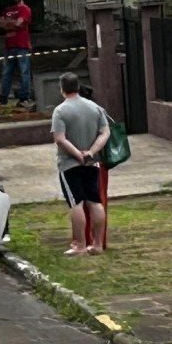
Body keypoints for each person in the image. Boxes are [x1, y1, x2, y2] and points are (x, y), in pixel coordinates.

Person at [51, 72, 112, 255]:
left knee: (76, 203)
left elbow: (60, 139)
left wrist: (77, 154)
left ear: (62, 89)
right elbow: (105, 132)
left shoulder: (60, 111)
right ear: (78, 86)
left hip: (69, 164)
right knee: (95, 201)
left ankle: (79, 244)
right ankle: (98, 243)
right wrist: (91, 152)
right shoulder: (95, 108)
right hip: (92, 163)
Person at [0, 0, 34, 109]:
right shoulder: (8, 10)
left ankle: (24, 98)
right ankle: (3, 97)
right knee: (6, 72)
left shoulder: (25, 9)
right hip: (9, 45)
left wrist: (8, 24)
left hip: (22, 45)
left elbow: (19, 22)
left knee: (24, 72)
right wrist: (12, 23)